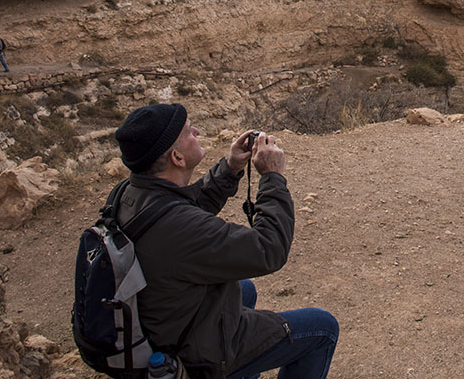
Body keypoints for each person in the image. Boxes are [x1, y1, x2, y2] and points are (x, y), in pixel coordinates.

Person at [113, 103, 338, 379]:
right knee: (323, 328)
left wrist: (231, 168)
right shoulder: (181, 228)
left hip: (159, 321)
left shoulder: (130, 193)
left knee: (244, 290)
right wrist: (272, 178)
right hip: (191, 351)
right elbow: (269, 249)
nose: (196, 130)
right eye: (188, 132)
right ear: (177, 157)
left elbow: (185, 208)